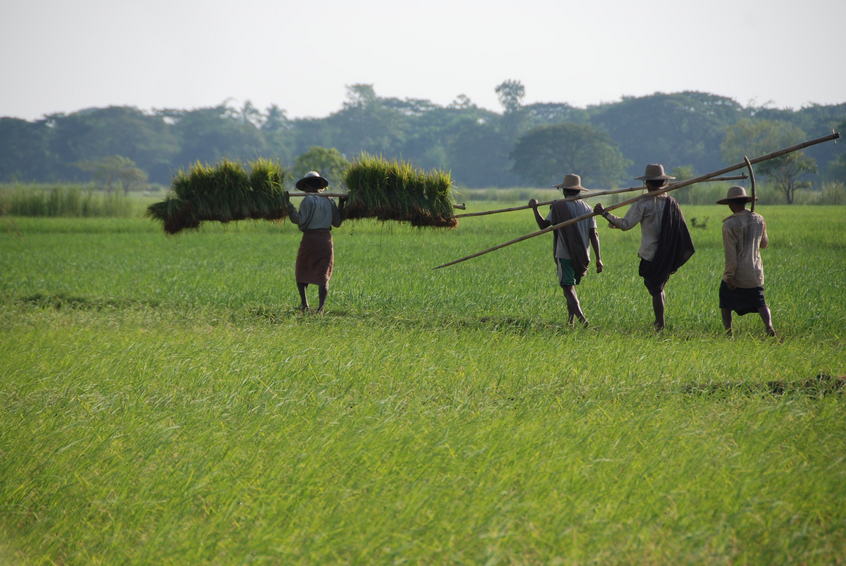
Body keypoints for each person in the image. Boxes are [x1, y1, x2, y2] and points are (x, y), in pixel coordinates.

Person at [593, 164, 694, 331]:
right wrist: (612, 221)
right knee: (658, 287)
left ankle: (659, 323)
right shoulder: (672, 203)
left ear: (647, 183)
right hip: (667, 253)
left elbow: (626, 224)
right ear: (663, 182)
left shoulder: (644, 203)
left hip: (651, 254)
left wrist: (605, 214)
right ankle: (659, 321)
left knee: (655, 288)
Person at [530, 173, 603, 326]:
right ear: (578, 191)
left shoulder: (559, 206)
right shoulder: (587, 208)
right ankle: (570, 322)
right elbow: (593, 234)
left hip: (565, 254)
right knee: (571, 287)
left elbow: (544, 225)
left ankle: (583, 321)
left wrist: (535, 208)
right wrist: (598, 258)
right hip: (583, 255)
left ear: (564, 190)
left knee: (568, 288)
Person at [717, 185, 775, 336]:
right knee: (760, 302)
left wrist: (729, 276)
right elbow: (764, 244)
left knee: (725, 302)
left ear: (731, 204)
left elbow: (731, 254)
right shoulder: (759, 219)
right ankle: (769, 326)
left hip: (738, 272)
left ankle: (729, 332)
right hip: (755, 272)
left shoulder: (729, 224)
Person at [287, 171, 346, 313]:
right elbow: (337, 222)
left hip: (310, 239)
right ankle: (320, 308)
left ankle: (304, 304)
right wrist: (341, 204)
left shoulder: (307, 200)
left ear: (308, 185)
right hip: (325, 240)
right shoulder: (329, 200)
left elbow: (299, 220)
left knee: (301, 270)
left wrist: (288, 205)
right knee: (323, 274)